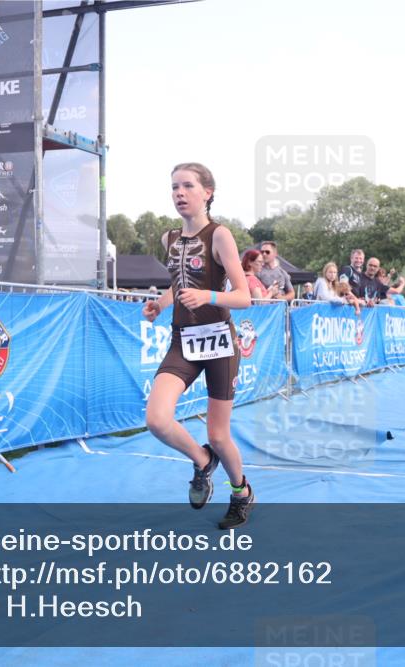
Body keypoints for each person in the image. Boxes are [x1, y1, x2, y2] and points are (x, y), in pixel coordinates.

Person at [142, 162, 255, 529]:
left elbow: (243, 297)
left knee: (218, 435)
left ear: (207, 192)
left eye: (187, 186)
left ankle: (241, 492)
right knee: (157, 420)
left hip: (219, 344)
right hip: (183, 342)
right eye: (174, 186)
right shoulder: (169, 239)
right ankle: (202, 462)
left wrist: (207, 295)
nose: (179, 193)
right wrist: (160, 304)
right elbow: (179, 282)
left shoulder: (219, 235)